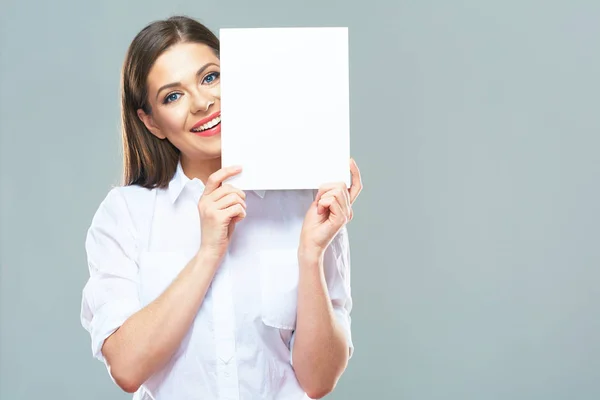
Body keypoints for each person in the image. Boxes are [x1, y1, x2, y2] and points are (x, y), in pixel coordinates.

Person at [80, 15, 362, 400]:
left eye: (210, 77)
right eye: (172, 96)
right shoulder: (125, 214)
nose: (202, 102)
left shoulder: (306, 203)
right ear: (152, 122)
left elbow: (318, 382)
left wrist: (311, 255)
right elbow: (127, 368)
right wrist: (208, 252)